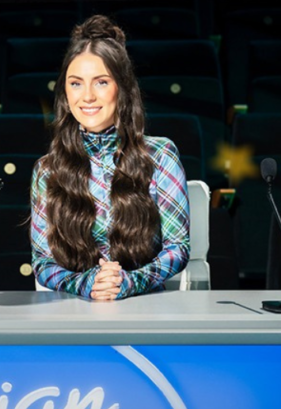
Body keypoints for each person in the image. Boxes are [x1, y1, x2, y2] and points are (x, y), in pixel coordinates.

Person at [30, 15, 189, 300]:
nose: (87, 96)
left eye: (101, 82)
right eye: (76, 84)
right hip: (73, 312)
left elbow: (178, 248)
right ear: (65, 93)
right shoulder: (47, 170)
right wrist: (86, 285)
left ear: (123, 89)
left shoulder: (161, 155)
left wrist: (129, 282)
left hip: (145, 307)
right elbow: (42, 262)